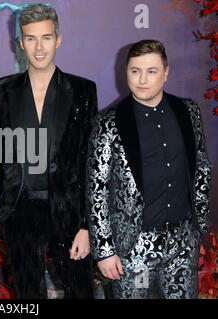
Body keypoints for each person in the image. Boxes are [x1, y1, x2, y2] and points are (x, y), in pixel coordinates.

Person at [87, 39, 212, 299]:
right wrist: (105, 250)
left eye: (151, 71)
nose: (142, 79)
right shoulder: (108, 123)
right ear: (126, 73)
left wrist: (198, 226)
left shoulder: (188, 111)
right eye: (135, 71)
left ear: (166, 73)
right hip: (135, 247)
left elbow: (200, 166)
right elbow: (96, 190)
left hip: (182, 241)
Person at [0, 4, 98, 298]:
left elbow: (90, 162)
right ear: (20, 43)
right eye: (31, 38)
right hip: (20, 210)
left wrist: (86, 225)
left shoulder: (83, 90)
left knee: (80, 290)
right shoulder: (2, 90)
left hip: (69, 211)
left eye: (46, 38)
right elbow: (0, 156)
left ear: (58, 40)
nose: (39, 47)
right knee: (27, 295)